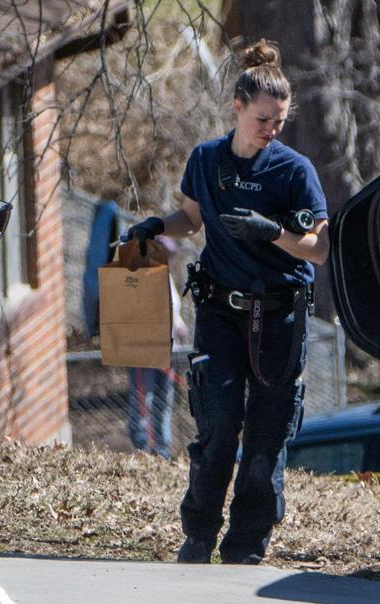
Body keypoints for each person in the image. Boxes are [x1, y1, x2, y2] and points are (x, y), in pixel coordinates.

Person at [125, 39, 329, 565]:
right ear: (237, 109)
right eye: (263, 119)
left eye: (279, 122)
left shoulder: (293, 172)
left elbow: (320, 249)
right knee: (216, 430)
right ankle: (197, 538)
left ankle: (246, 547)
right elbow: (190, 219)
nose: (271, 130)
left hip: (279, 315)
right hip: (219, 309)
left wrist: (272, 232)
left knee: (265, 442)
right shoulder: (207, 160)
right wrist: (156, 227)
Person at [126, 239, 189, 458]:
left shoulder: (167, 278)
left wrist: (179, 327)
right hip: (145, 351)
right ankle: (143, 445)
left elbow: (172, 312)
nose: (169, 259)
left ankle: (162, 447)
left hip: (169, 350)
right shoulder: (140, 279)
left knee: (165, 399)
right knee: (144, 398)